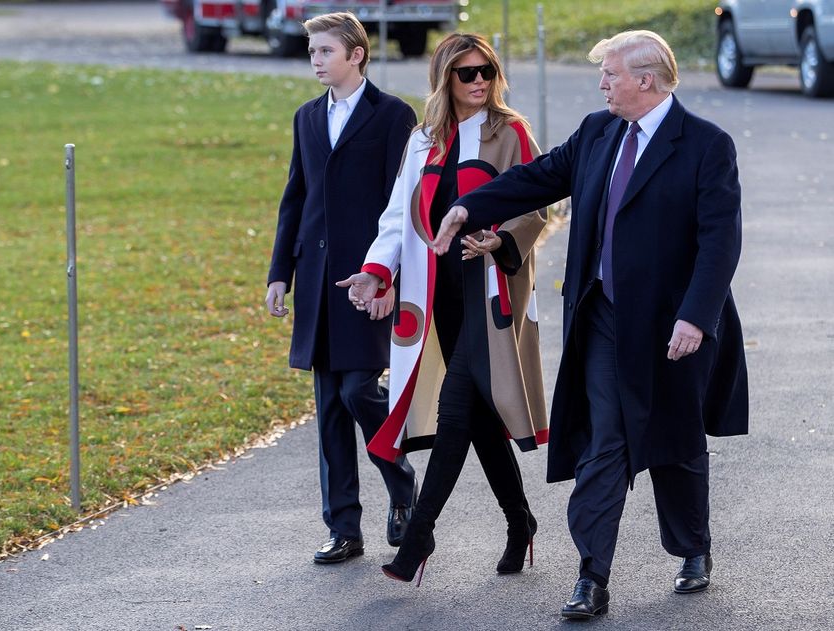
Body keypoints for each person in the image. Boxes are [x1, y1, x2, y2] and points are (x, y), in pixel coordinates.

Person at [432, 30, 748, 618]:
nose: (601, 84)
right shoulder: (599, 132)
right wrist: (468, 206)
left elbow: (719, 242)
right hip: (602, 315)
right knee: (606, 441)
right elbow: (539, 177)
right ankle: (591, 576)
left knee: (674, 442)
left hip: (673, 325)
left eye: (611, 75)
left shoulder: (705, 145)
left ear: (646, 80)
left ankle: (692, 548)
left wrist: (696, 318)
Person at [337, 33, 548, 586]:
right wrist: (376, 270)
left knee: (457, 410)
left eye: (487, 71)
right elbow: (397, 217)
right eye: (467, 73)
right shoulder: (423, 139)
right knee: (478, 419)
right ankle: (519, 521)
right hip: (441, 301)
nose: (479, 82)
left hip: (491, 296)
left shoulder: (511, 132)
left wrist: (499, 241)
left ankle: (420, 536)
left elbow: (536, 207)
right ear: (445, 78)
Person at [265, 12, 417, 565]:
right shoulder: (307, 117)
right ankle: (344, 528)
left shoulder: (394, 116)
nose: (315, 58)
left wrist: (388, 278)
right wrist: (280, 272)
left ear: (356, 54)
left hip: (366, 280)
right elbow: (295, 196)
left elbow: (400, 203)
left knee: (359, 392)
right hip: (317, 282)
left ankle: (401, 483)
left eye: (326, 50)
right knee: (329, 406)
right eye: (312, 50)